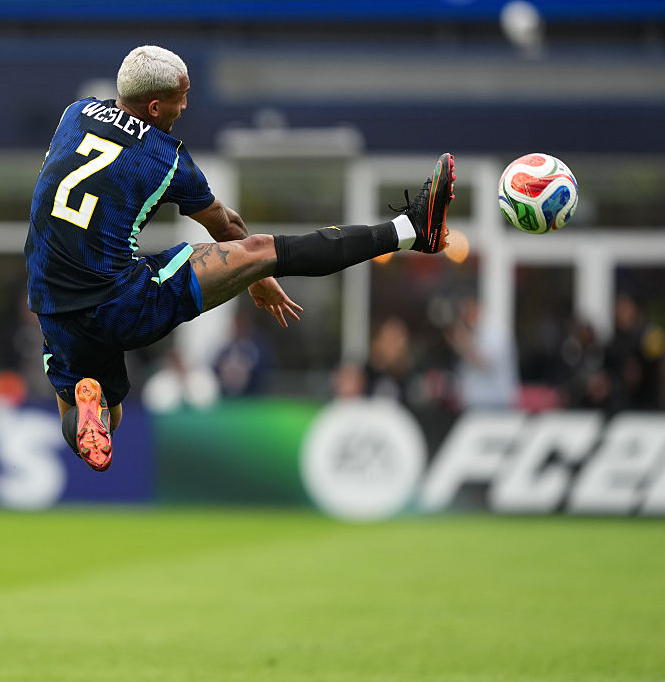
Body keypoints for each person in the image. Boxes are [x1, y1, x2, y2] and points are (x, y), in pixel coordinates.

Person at [25, 45, 454, 472]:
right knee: (262, 249)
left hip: (51, 302)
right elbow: (226, 225)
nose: (185, 106)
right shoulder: (164, 157)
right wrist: (258, 277)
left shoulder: (74, 114)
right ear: (154, 107)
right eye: (181, 98)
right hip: (120, 300)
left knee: (107, 416)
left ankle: (88, 407)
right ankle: (412, 230)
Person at [444, 295, 519, 410]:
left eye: (467, 309)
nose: (464, 315)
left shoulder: (494, 330)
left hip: (493, 403)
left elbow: (486, 362)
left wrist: (462, 341)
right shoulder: (474, 329)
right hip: (476, 402)